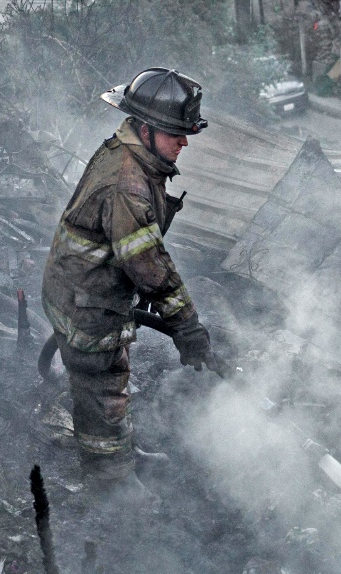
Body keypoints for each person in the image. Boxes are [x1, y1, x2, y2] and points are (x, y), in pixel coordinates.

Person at [40, 68, 216, 503]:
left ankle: (121, 453)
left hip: (91, 293)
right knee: (103, 390)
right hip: (87, 303)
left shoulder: (133, 156)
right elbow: (148, 262)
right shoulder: (127, 183)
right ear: (147, 128)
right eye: (177, 133)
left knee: (110, 380)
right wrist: (187, 327)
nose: (185, 141)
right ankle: (111, 482)